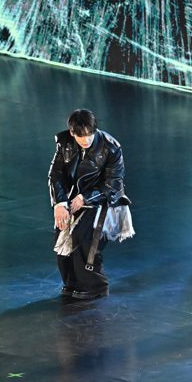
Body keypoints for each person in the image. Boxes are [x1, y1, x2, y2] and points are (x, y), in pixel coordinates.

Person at [49, 109, 133, 300]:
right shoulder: (64, 142)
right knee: (62, 234)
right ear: (72, 133)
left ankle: (95, 285)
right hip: (73, 199)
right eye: (81, 135)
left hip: (104, 199)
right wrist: (59, 204)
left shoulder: (111, 147)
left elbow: (113, 184)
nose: (86, 140)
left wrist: (85, 197)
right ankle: (72, 282)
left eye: (90, 134)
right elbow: (56, 174)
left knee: (84, 237)